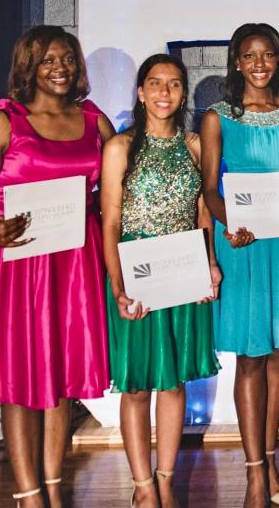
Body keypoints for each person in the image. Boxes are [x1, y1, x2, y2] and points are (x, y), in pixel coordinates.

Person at [0, 26, 115, 508]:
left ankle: (53, 486)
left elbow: (119, 190)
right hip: (15, 264)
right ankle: (27, 494)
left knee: (60, 375)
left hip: (75, 262)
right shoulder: (4, 121)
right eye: (48, 60)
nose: (60, 68)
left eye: (67, 59)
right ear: (28, 66)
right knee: (18, 378)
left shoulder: (94, 121)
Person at [200, 24, 279, 508]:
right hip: (243, 243)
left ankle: (270, 466)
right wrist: (232, 222)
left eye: (268, 55)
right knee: (249, 358)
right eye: (250, 56)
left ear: (278, 61)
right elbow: (209, 189)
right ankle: (253, 475)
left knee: (275, 358)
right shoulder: (217, 117)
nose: (260, 64)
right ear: (236, 62)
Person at [100, 54, 221, 508]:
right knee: (136, 384)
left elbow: (203, 212)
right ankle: (142, 485)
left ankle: (166, 480)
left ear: (183, 93)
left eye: (173, 85)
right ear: (140, 91)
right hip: (137, 267)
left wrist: (210, 263)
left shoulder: (193, 145)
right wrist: (118, 286)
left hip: (183, 267)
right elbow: (110, 221)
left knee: (173, 384)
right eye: (154, 84)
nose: (163, 93)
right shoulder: (120, 147)